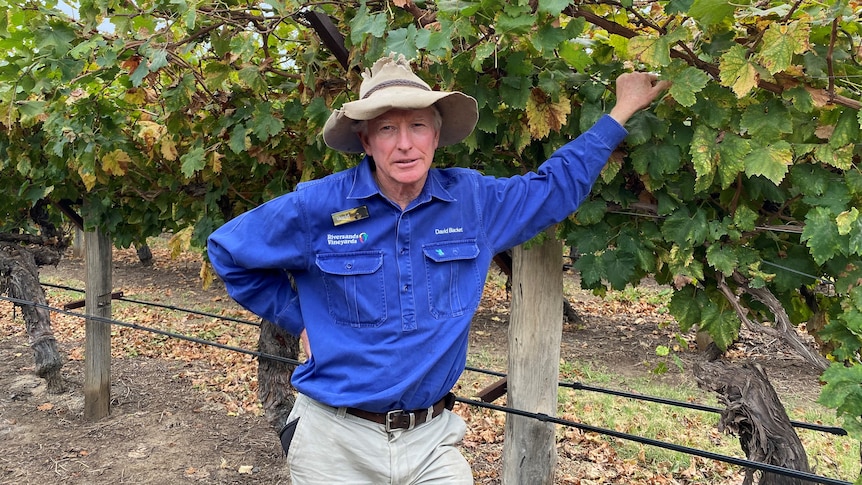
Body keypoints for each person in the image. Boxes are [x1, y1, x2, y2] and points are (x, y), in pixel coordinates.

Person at [207, 53, 669, 484]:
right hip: (334, 440)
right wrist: (299, 318)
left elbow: (554, 187)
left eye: (418, 125)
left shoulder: (473, 202)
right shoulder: (317, 207)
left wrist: (620, 110)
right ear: (366, 140)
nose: (405, 144)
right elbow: (227, 251)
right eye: (387, 128)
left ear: (437, 133)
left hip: (431, 440)